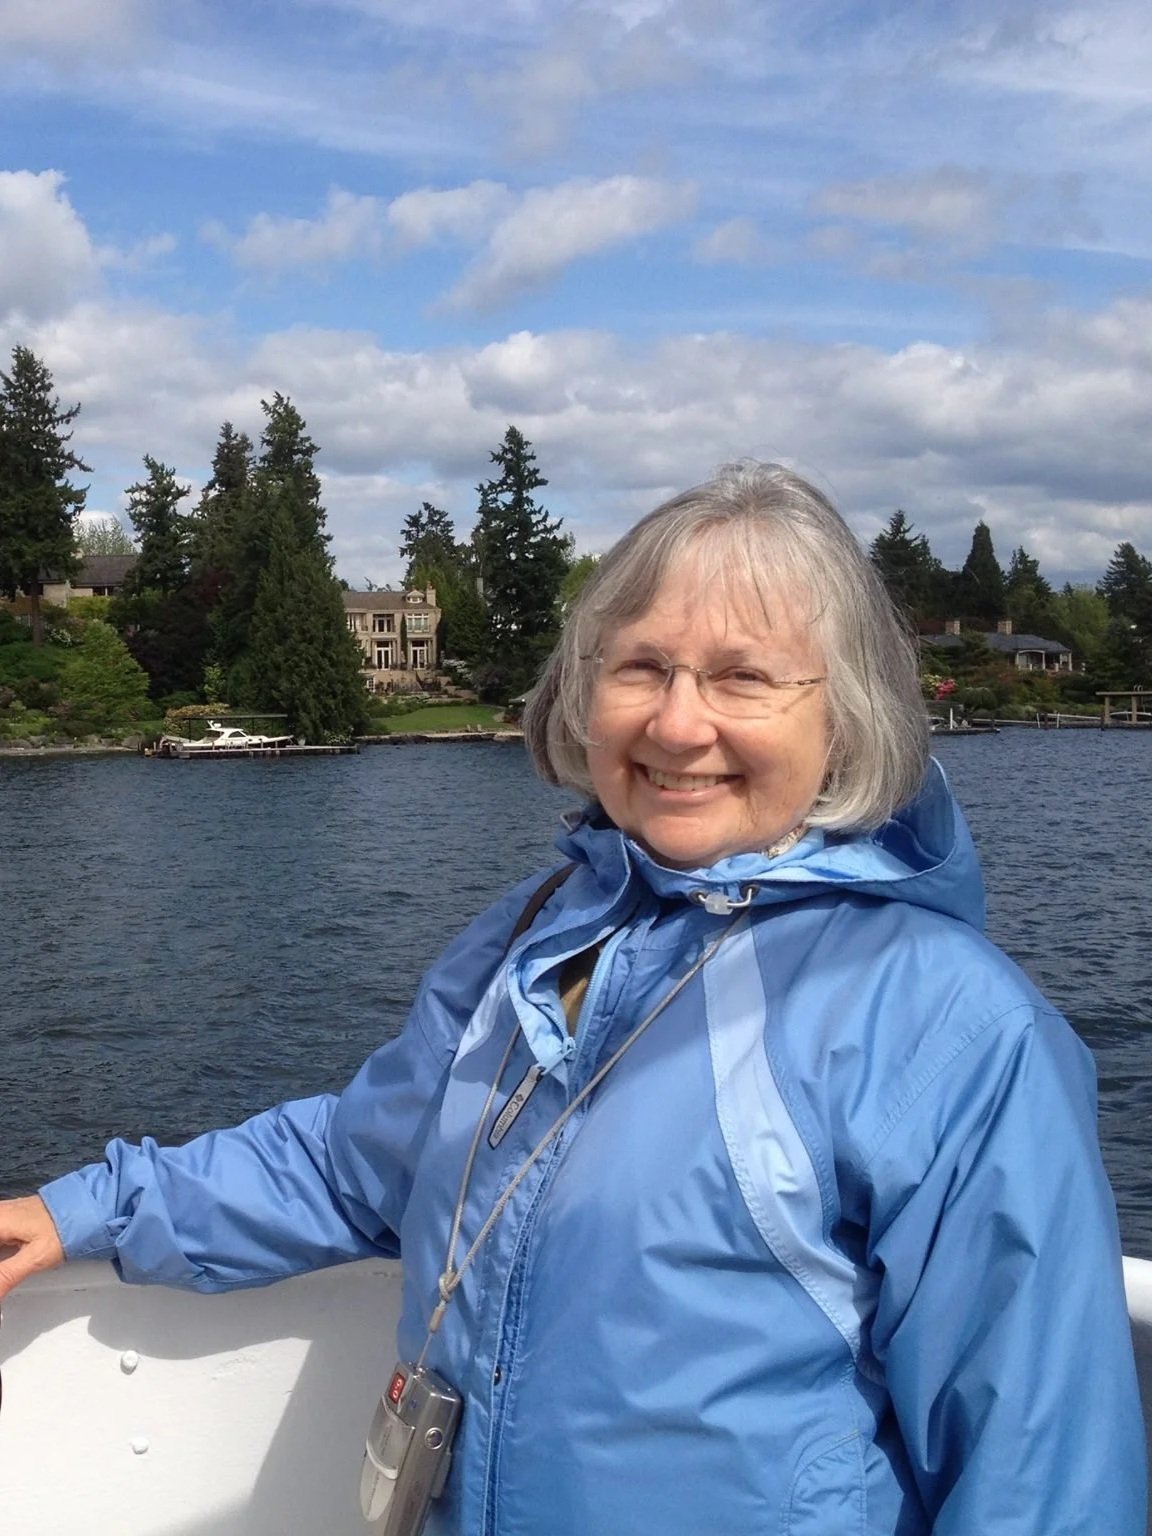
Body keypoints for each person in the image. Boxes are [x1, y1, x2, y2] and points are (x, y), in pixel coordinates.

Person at [0, 462, 1145, 1534]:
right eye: (641, 667)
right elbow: (360, 1161)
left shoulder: (946, 1023)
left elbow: (1038, 1457)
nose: (678, 722)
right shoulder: (533, 933)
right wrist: (85, 1208)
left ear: (843, 717)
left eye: (743, 676)